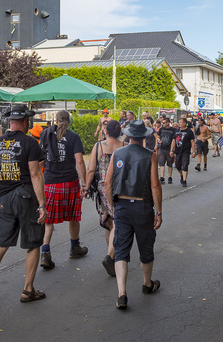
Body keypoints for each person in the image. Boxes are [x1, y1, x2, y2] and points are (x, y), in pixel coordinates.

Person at [0, 105, 46, 311]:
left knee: (0, 244)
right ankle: (28, 289)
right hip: (25, 197)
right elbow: (35, 175)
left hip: (4, 198)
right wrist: (42, 204)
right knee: (33, 242)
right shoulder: (30, 142)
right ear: (25, 122)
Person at [105, 120, 162, 310]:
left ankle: (122, 294)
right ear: (144, 136)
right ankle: (147, 283)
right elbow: (155, 185)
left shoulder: (118, 153)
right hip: (142, 206)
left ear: (128, 135)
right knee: (146, 246)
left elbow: (107, 183)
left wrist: (112, 205)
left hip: (121, 206)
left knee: (121, 249)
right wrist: (159, 211)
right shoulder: (150, 156)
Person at [39, 111, 88, 270]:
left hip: (51, 182)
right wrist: (84, 183)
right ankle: (75, 248)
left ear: (56, 120)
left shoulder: (45, 135)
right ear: (69, 121)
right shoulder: (74, 137)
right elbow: (79, 161)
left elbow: (40, 159)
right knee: (73, 216)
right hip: (70, 182)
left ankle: (45, 252)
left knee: (49, 220)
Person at [85, 120, 124, 277]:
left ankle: (111, 256)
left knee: (110, 222)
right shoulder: (124, 146)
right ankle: (111, 256)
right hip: (119, 188)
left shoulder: (98, 147)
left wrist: (86, 187)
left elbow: (91, 169)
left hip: (102, 188)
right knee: (117, 222)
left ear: (106, 131)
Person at [173, 118, 195, 187]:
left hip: (186, 150)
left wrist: (194, 152)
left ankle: (184, 180)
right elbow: (173, 141)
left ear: (185, 123)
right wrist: (171, 150)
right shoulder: (177, 131)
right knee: (177, 165)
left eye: (181, 122)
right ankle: (182, 175)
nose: (179, 124)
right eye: (179, 122)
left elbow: (192, 142)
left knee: (185, 165)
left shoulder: (189, 131)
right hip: (178, 150)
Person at [155, 117, 177, 185]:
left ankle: (170, 177)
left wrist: (173, 149)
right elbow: (158, 136)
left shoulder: (173, 130)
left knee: (170, 163)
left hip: (169, 149)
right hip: (162, 148)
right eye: (162, 123)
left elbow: (174, 139)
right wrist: (158, 141)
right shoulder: (161, 129)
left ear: (168, 123)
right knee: (161, 163)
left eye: (164, 123)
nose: (162, 124)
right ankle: (162, 177)